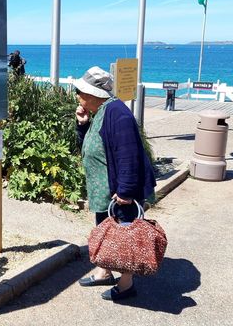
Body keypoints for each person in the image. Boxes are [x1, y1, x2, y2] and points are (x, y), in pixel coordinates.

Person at [73, 66, 156, 301]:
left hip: (118, 191)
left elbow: (128, 154)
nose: (78, 96)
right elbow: (91, 143)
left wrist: (126, 190)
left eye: (81, 92)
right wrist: (83, 124)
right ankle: (104, 271)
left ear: (93, 94)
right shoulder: (100, 112)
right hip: (104, 191)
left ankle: (127, 284)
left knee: (124, 234)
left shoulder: (117, 114)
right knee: (106, 230)